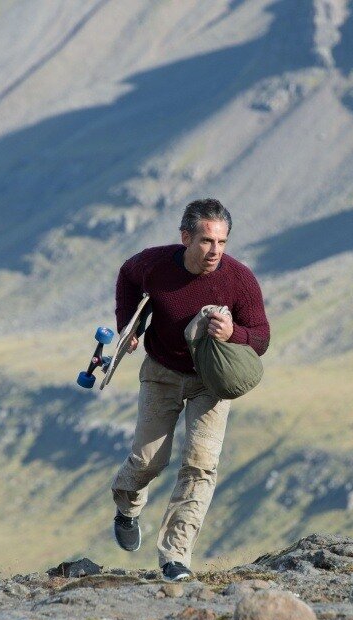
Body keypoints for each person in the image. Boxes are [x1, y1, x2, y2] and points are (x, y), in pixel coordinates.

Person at [110, 198, 270, 582]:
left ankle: (175, 557)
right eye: (206, 241)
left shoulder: (239, 279)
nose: (215, 251)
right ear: (185, 237)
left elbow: (262, 338)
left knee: (201, 465)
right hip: (162, 372)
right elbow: (127, 278)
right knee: (149, 460)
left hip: (210, 381)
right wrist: (127, 326)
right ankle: (127, 506)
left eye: (222, 242)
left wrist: (235, 334)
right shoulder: (153, 264)